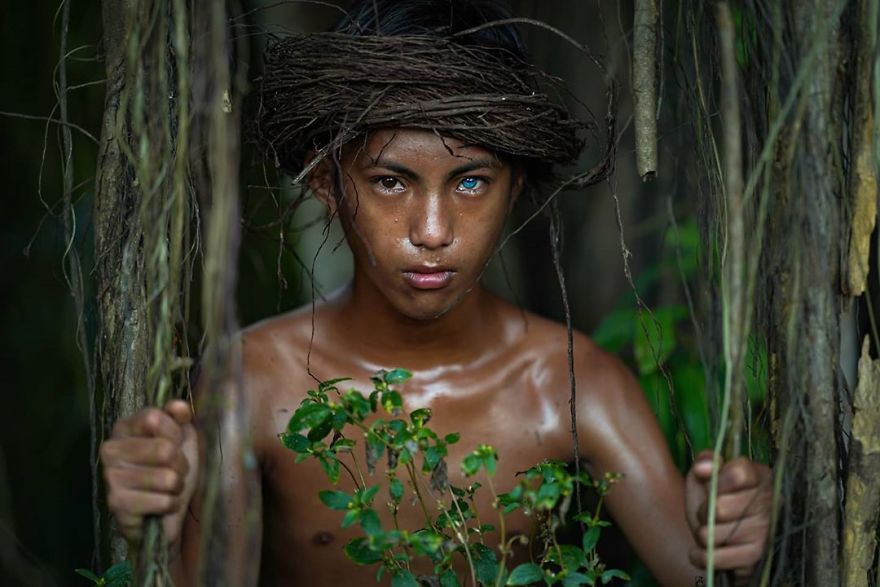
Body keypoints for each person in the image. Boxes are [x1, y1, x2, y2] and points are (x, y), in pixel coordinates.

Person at [99, 1, 773, 585]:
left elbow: (704, 570)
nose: (433, 231)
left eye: (471, 182)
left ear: (515, 185)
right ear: (329, 186)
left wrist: (741, 541)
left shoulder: (569, 382)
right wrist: (153, 526)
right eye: (391, 181)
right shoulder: (255, 379)